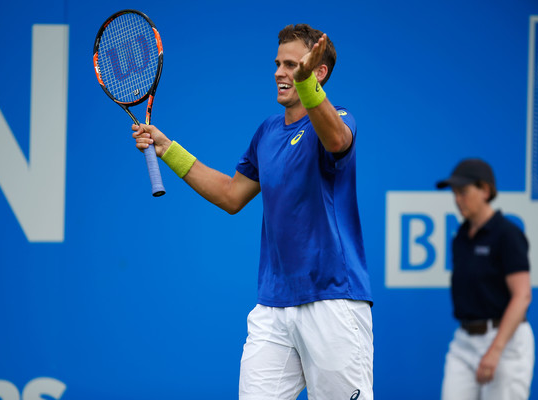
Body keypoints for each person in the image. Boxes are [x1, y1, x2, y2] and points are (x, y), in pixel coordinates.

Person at [132, 24, 373, 400]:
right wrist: (168, 149)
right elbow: (231, 195)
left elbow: (338, 140)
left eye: (292, 65)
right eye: (278, 63)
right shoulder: (267, 131)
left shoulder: (338, 119)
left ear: (317, 72)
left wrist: (309, 87)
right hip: (273, 305)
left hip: (332, 300)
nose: (279, 72)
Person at [436, 159, 535, 400]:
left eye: (463, 192)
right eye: (454, 193)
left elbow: (522, 296)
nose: (457, 199)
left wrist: (495, 351)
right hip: (464, 341)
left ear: (485, 191)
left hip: (505, 341)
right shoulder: (460, 236)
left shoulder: (507, 234)